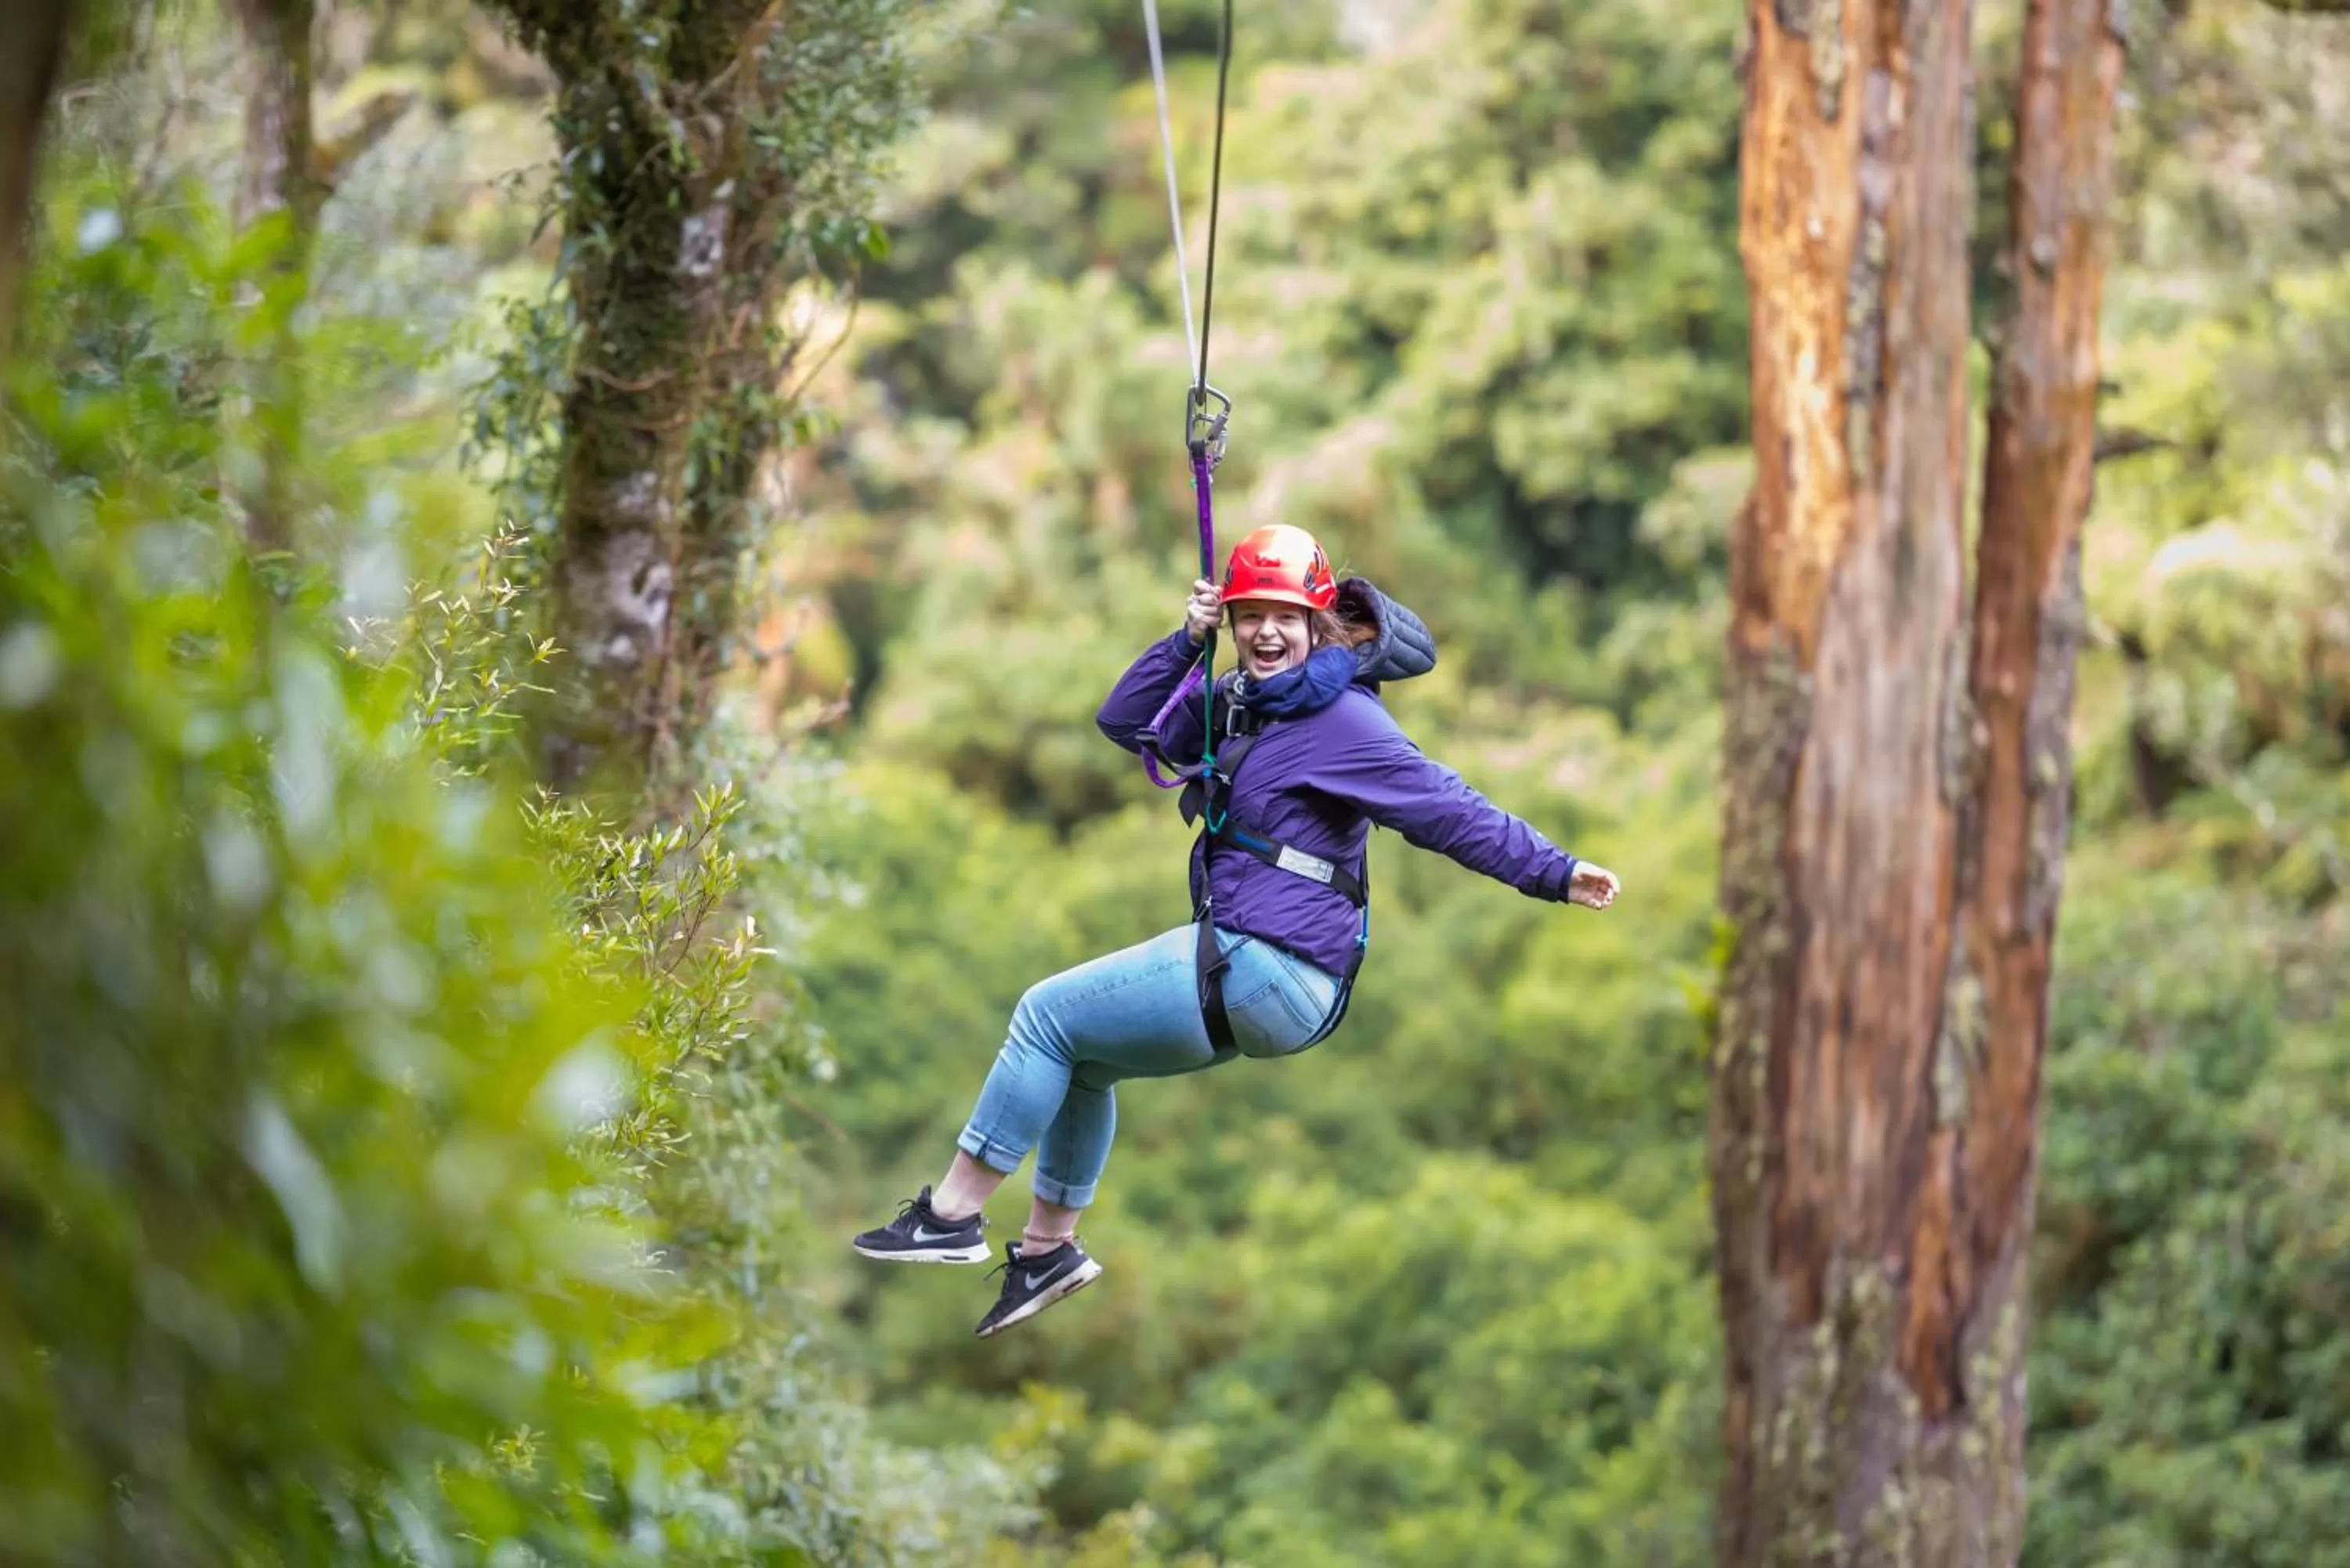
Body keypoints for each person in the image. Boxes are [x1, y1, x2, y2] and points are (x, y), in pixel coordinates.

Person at [851, 523, 1621, 1337]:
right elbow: (1126, 722)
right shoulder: (1239, 704)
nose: (1265, 633)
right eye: (1250, 615)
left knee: (1045, 1015)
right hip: (1262, 972)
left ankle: (950, 1216)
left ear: (1318, 624)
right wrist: (1187, 642)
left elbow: (1449, 810)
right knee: (1081, 1061)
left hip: (1271, 965)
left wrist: (1556, 871)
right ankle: (1048, 1252)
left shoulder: (1343, 721)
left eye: (1285, 617)